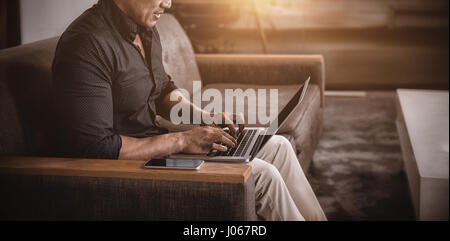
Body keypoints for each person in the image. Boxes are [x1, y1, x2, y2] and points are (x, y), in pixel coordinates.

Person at [52, 0, 327, 221]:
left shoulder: (145, 27)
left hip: (163, 149)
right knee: (264, 176)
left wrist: (206, 117)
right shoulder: (87, 43)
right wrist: (183, 139)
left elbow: (163, 91)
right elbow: (95, 148)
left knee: (278, 145)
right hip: (136, 167)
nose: (168, 4)